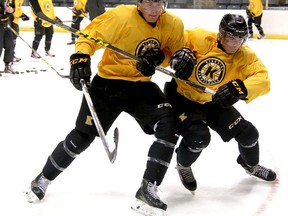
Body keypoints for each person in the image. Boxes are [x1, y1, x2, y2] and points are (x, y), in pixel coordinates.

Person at [24, 0, 186, 214]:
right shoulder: (120, 17)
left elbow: (175, 54)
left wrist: (160, 58)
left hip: (141, 86)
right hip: (109, 83)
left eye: (159, 3)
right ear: (139, 2)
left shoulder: (173, 24)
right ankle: (43, 179)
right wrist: (79, 59)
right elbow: (88, 37)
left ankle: (148, 189)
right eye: (148, 2)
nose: (154, 9)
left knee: (169, 124)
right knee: (82, 136)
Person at [164, 13, 277, 193]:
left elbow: (263, 80)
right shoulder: (199, 38)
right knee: (198, 138)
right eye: (230, 36)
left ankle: (250, 165)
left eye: (240, 38)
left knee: (249, 134)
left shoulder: (245, 56)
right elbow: (171, 44)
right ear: (221, 33)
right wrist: (178, 57)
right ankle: (183, 165)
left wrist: (239, 89)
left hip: (213, 101)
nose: (234, 43)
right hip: (183, 97)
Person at [0, 0, 15, 73]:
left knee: (10, 44)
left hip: (6, 24)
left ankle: (7, 65)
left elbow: (12, 8)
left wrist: (11, 10)